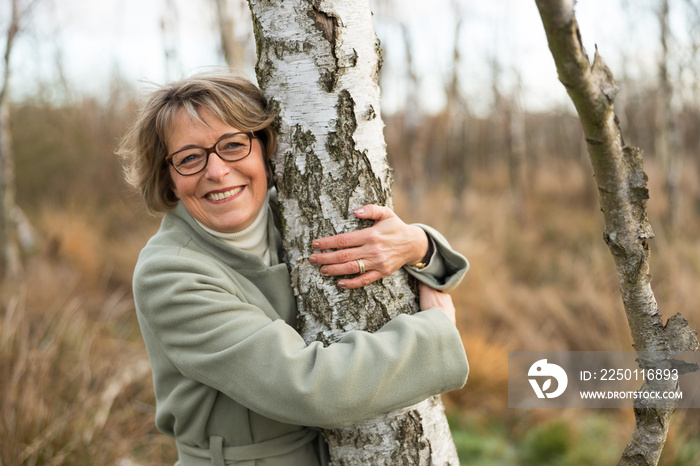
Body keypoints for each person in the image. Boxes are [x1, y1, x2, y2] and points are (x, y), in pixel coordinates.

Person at [118, 71, 469, 466]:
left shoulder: (297, 212)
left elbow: (419, 259)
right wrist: (436, 333)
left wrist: (418, 245)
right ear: (168, 176)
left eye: (233, 144)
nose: (216, 171)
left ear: (264, 148)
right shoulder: (168, 274)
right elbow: (309, 387)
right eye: (189, 158)